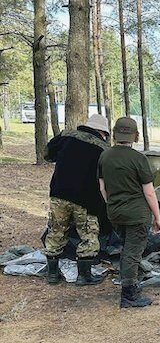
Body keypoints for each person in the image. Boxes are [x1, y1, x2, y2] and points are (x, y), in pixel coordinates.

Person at [98, 117, 160, 308]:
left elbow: (102, 188)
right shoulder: (139, 159)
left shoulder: (105, 156)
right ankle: (129, 294)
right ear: (135, 136)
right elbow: (149, 192)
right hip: (137, 215)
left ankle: (130, 286)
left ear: (115, 133)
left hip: (115, 213)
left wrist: (112, 205)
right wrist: (157, 217)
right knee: (132, 253)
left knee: (127, 248)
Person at [43, 114, 110, 286]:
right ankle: (84, 276)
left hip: (59, 193)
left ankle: (52, 274)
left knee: (56, 231)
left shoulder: (66, 136)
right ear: (103, 132)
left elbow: (48, 154)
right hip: (86, 199)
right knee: (88, 235)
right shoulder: (103, 148)